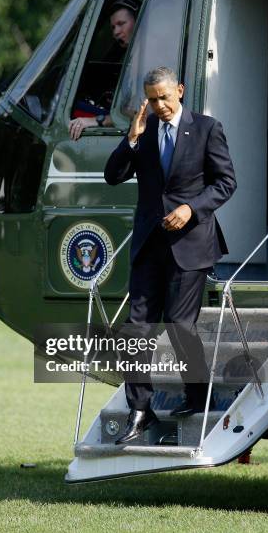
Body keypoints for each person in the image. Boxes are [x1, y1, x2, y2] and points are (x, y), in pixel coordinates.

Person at [104, 67, 237, 444]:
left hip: (191, 245)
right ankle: (140, 410)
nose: (159, 105)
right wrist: (130, 139)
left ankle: (196, 395)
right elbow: (112, 176)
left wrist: (192, 209)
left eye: (164, 96)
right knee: (136, 328)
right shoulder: (142, 134)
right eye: (152, 98)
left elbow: (226, 182)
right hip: (149, 245)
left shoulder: (208, 129)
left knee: (180, 326)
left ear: (179, 90)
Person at [69, 0, 139, 140]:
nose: (116, 32)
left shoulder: (148, 56)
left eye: (121, 24)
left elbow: (136, 112)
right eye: (113, 27)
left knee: (76, 111)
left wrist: (96, 121)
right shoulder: (136, 54)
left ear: (138, 21)